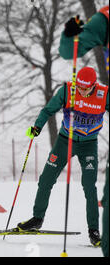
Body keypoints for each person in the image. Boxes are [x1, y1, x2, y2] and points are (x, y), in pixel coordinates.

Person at [17, 66, 109, 247]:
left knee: (89, 186)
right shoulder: (68, 91)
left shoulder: (104, 94)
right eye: (79, 87)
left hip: (89, 145)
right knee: (45, 180)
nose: (82, 90)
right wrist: (37, 127)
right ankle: (37, 219)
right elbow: (47, 110)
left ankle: (94, 230)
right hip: (64, 141)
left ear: (93, 85)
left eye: (86, 88)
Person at [58, 5, 109, 256]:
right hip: (74, 139)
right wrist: (70, 34)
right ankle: (97, 232)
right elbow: (69, 50)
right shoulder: (105, 20)